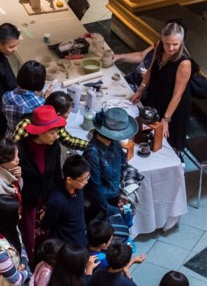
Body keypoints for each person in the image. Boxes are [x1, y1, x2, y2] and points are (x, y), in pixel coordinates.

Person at [128, 21, 197, 149]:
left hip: (173, 106)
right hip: (157, 94)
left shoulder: (184, 63)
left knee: (166, 140)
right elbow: (150, 70)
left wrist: (166, 119)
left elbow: (177, 95)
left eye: (175, 44)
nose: (170, 48)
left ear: (181, 42)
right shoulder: (159, 46)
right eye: (167, 44)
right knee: (150, 130)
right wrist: (140, 90)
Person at [16, 105, 66, 257]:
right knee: (29, 236)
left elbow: (57, 173)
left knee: (47, 235)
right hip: (29, 203)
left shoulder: (54, 147)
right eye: (52, 132)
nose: (55, 136)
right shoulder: (21, 149)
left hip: (47, 199)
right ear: (39, 132)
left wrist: (57, 197)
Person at [83, 108, 136, 220]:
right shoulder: (92, 154)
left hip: (114, 196)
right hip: (98, 204)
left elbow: (123, 165)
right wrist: (110, 210)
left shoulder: (114, 143)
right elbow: (95, 189)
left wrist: (124, 194)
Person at [13, 91, 88, 151]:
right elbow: (13, 150)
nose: (55, 136)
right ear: (57, 113)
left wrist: (90, 146)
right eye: (67, 112)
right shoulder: (26, 125)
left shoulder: (57, 125)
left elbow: (68, 140)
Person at [42, 154, 90, 247]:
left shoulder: (78, 189)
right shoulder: (57, 200)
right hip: (67, 246)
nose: (86, 182)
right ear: (69, 180)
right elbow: (47, 223)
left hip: (80, 237)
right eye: (83, 180)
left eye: (87, 178)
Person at [2, 60, 46, 135]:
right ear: (40, 82)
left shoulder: (6, 95)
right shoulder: (40, 103)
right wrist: (46, 99)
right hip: (27, 141)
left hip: (9, 138)